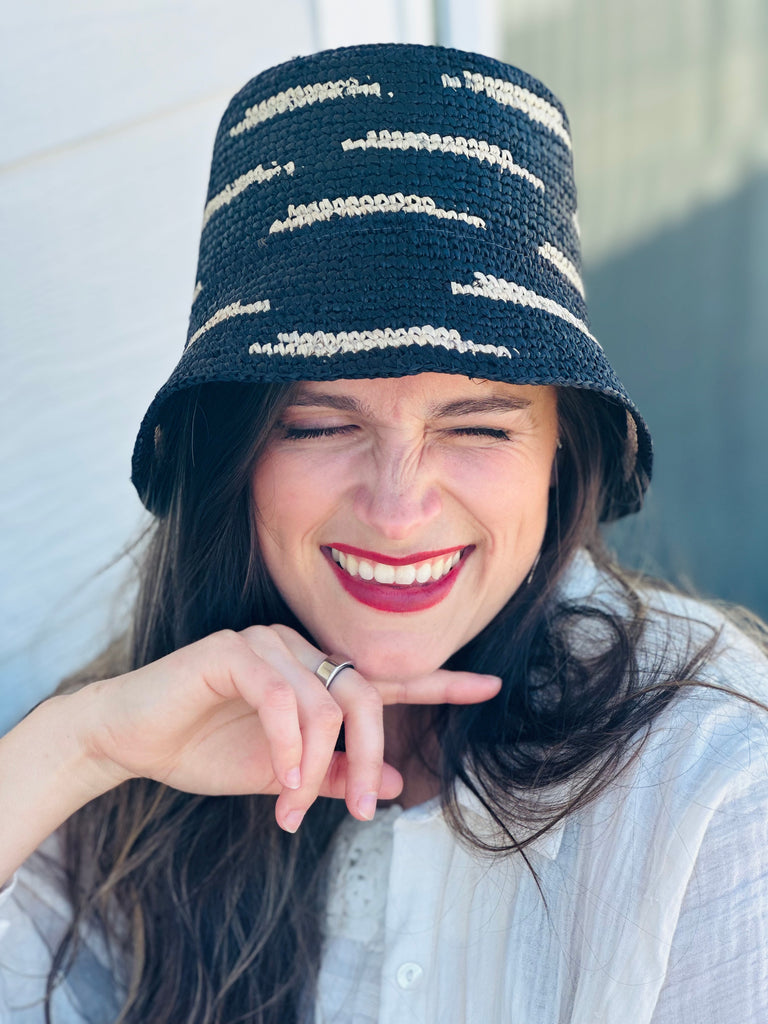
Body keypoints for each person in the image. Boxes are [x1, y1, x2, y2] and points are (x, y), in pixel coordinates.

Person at [1, 42, 766, 1024]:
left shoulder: (710, 781)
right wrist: (83, 745)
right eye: (322, 424)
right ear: (234, 461)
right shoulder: (145, 757)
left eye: (478, 425)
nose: (400, 507)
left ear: (559, 458)